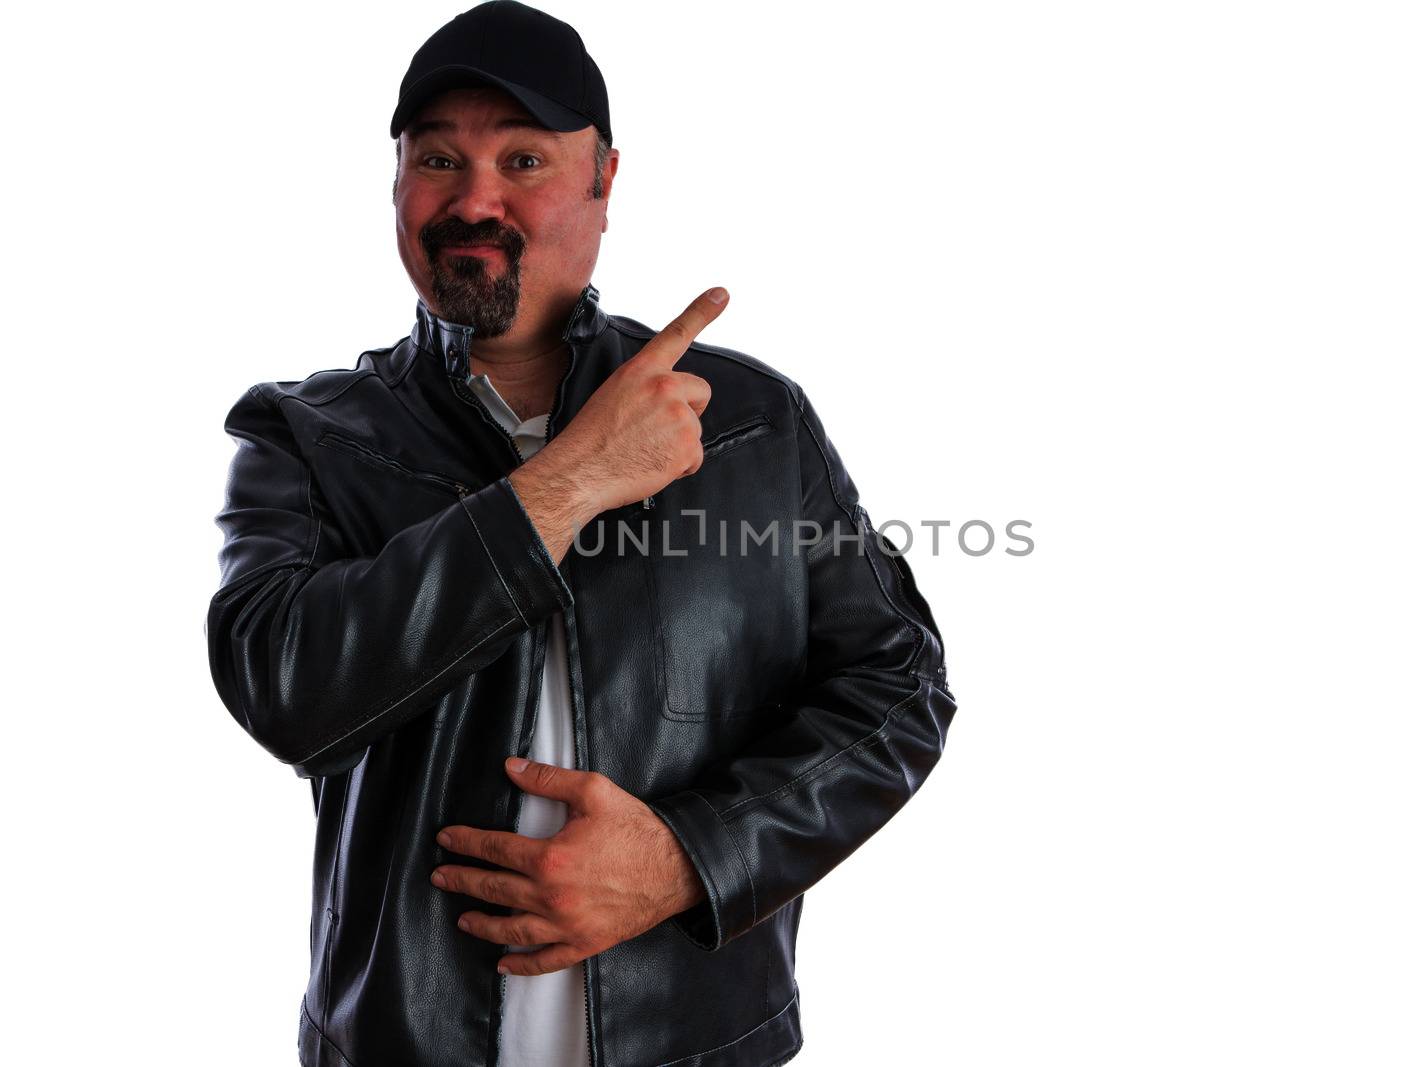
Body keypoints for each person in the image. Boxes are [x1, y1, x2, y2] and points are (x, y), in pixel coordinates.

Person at [205, 3, 956, 1065]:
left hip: (699, 1039)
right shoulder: (305, 433)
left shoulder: (746, 418)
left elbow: (897, 689)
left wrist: (688, 856)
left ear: (605, 181)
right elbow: (284, 686)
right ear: (395, 190)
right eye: (437, 159)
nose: (475, 198)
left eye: (524, 157)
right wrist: (570, 482)